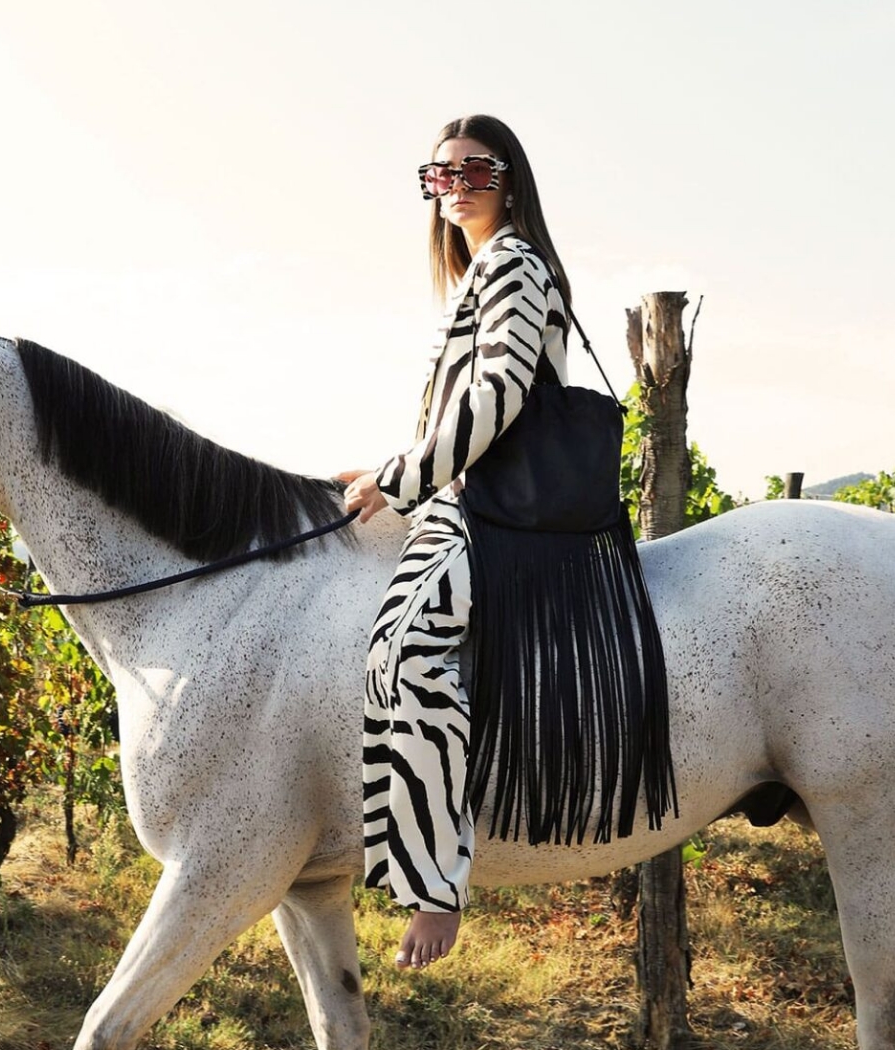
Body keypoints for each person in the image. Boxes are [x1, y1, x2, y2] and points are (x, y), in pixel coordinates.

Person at [340, 114, 574, 971]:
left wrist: (399, 482)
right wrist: (389, 469)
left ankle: (438, 886)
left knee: (407, 652)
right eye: (438, 175)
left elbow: (500, 398)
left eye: (475, 170)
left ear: (509, 179)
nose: (455, 185)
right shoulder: (478, 273)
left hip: (495, 510)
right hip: (458, 496)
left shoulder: (514, 262)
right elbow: (450, 413)